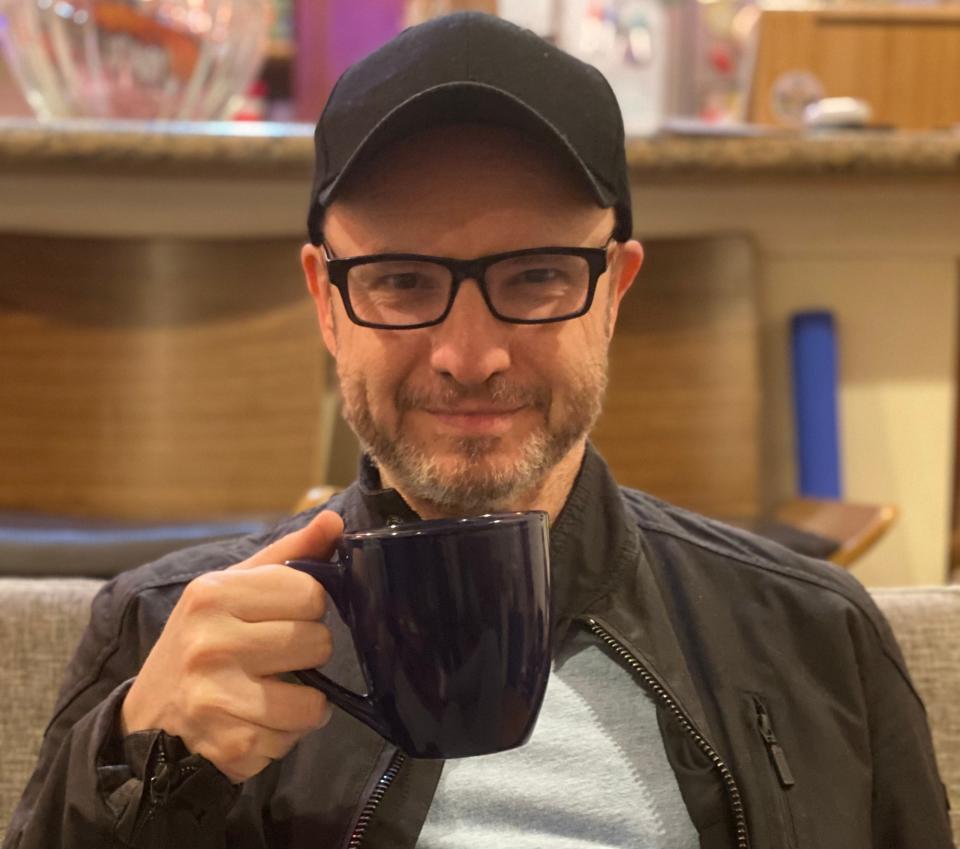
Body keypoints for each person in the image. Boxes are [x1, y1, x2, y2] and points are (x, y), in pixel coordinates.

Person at [4, 12, 953, 849]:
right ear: (327, 304)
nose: (468, 353)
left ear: (613, 293)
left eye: (537, 275)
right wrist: (139, 769)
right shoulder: (162, 635)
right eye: (403, 281)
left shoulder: (817, 637)